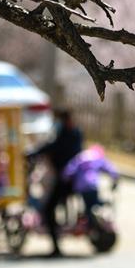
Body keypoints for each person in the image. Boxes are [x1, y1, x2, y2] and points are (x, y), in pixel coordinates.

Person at [28, 110, 83, 256]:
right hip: (67, 180)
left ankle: (56, 246)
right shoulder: (74, 134)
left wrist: (33, 153)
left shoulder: (68, 136)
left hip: (65, 181)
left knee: (48, 209)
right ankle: (57, 241)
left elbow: (52, 147)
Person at [61, 144, 118, 227]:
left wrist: (66, 178)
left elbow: (70, 169)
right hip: (92, 184)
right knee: (92, 204)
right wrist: (115, 177)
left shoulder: (81, 156)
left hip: (81, 185)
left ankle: (89, 222)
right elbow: (109, 168)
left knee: (88, 205)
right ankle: (93, 219)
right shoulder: (97, 157)